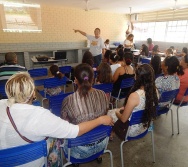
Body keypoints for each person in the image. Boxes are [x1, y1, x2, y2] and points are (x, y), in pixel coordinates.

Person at [0, 72, 113, 166]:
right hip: (34, 162)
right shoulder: (41, 116)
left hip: (5, 161)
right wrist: (101, 120)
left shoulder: (1, 104)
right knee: (54, 139)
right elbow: (74, 131)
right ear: (33, 93)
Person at [61, 63, 110, 159]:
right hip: (102, 143)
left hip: (79, 149)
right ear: (93, 79)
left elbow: (64, 124)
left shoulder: (68, 100)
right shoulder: (103, 94)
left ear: (75, 80)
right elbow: (105, 114)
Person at [113, 64, 158, 140]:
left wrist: (117, 112)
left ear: (138, 78)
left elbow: (123, 119)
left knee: (111, 113)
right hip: (145, 127)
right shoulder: (155, 91)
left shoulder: (135, 96)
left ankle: (111, 134)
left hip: (131, 132)